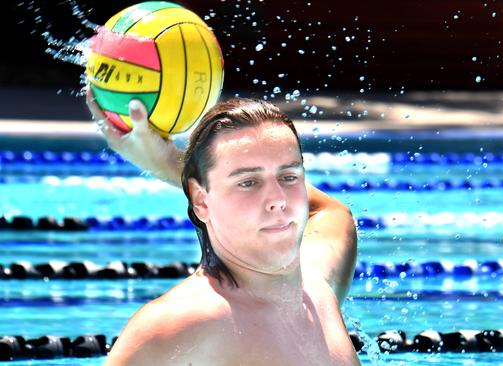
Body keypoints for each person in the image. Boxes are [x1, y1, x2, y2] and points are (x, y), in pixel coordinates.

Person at [86, 93, 361, 365]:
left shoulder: (317, 291)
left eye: (288, 176)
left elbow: (331, 212)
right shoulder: (177, 325)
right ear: (200, 200)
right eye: (248, 182)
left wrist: (171, 163)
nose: (278, 199)